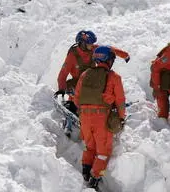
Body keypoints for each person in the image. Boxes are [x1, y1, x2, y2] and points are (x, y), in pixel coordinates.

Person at [73, 46, 126, 189]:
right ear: (108, 60)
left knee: (90, 146)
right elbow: (120, 101)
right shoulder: (114, 77)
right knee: (103, 151)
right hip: (101, 118)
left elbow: (76, 98)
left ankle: (85, 173)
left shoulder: (85, 74)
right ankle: (94, 179)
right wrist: (121, 117)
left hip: (84, 116)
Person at [55, 30, 130, 100]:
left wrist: (124, 55)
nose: (92, 45)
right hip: (77, 83)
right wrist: (61, 89)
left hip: (93, 80)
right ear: (83, 43)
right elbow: (62, 75)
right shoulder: (72, 56)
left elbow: (109, 49)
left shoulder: (93, 49)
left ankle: (112, 103)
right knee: (71, 86)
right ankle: (72, 103)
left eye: (92, 43)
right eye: (89, 44)